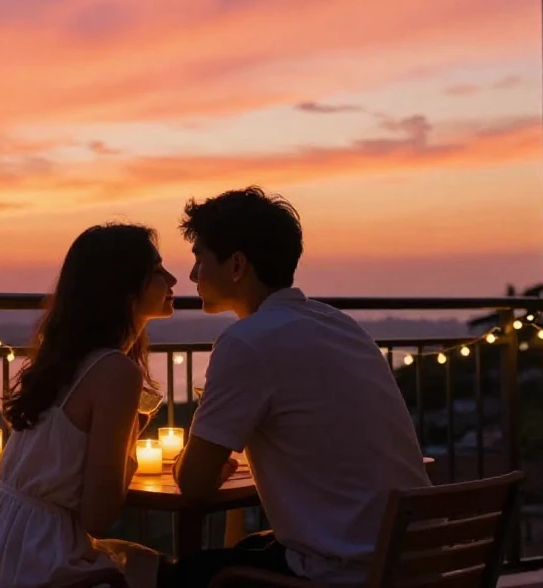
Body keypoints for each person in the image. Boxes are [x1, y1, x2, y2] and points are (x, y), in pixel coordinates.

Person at [164, 188, 430, 587]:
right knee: (250, 548)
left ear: (237, 264)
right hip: (411, 559)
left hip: (347, 572)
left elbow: (193, 482)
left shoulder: (247, 342)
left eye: (199, 258)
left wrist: (211, 458)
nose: (193, 275)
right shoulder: (340, 325)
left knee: (177, 575)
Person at [0, 223, 177, 588]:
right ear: (124, 290)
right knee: (163, 571)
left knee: (144, 563)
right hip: (42, 562)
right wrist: (130, 449)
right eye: (156, 270)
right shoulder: (115, 371)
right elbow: (97, 514)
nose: (172, 279)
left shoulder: (62, 361)